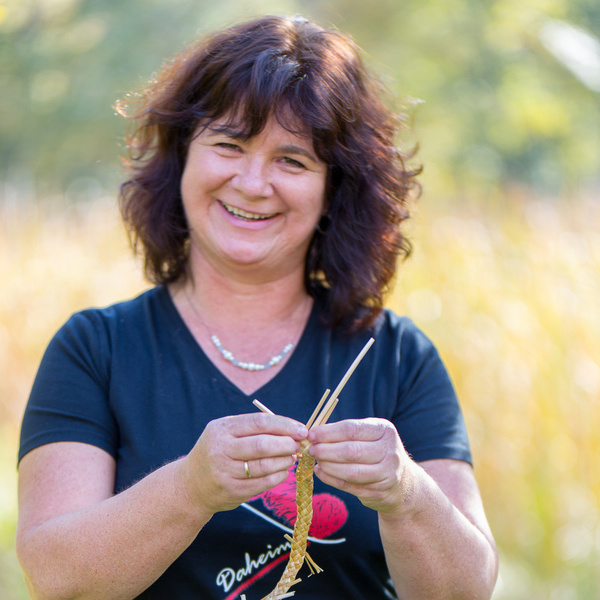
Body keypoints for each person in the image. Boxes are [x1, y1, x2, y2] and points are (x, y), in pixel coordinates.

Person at [16, 14, 498, 600]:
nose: (251, 182)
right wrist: (191, 490)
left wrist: (405, 493)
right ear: (182, 158)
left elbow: (465, 591)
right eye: (229, 144)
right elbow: (56, 579)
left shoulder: (397, 356)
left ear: (332, 191)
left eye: (291, 160)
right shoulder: (97, 350)